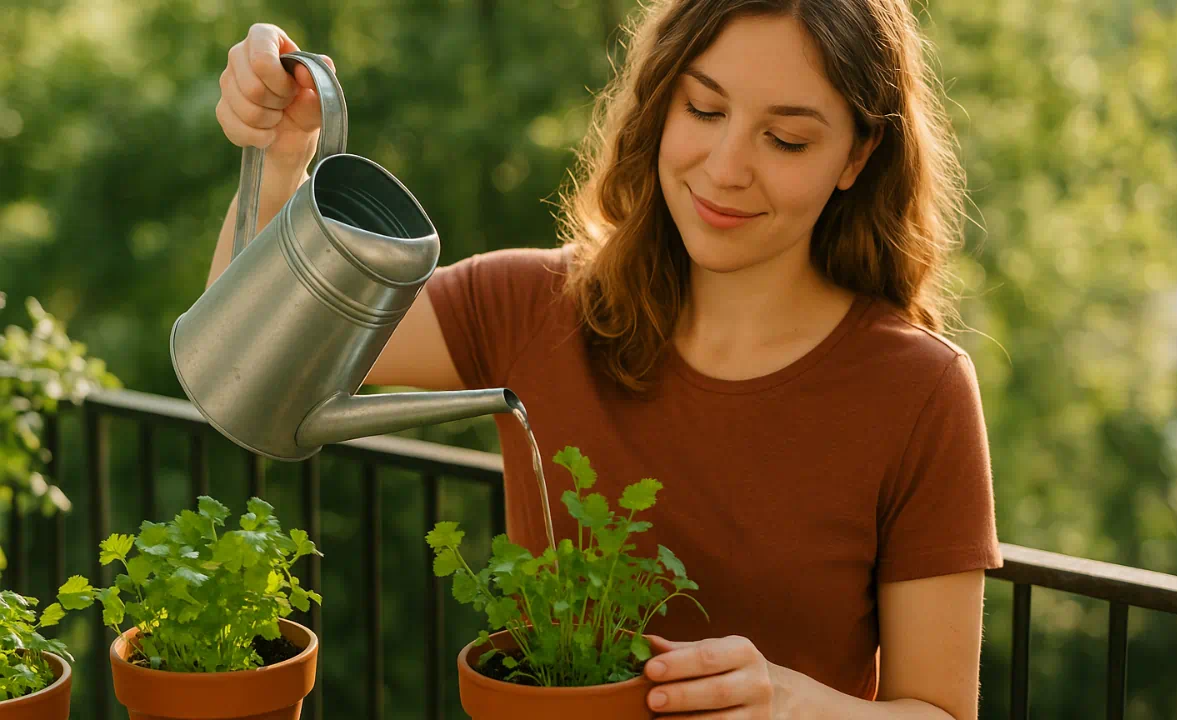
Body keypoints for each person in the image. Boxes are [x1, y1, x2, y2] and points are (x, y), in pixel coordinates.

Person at [209, 1, 1001, 718]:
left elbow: (940, 712)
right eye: (705, 108)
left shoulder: (918, 391)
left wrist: (792, 704)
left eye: (786, 137)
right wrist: (280, 160)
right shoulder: (533, 305)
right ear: (661, 105)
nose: (727, 167)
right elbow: (250, 352)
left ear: (857, 157)